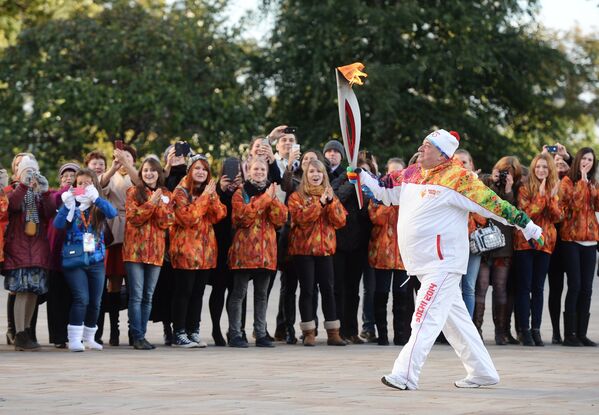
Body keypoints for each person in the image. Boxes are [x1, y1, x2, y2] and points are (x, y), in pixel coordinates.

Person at [351, 129, 543, 390]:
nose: (421, 148)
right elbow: (384, 189)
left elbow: (493, 204)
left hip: (443, 264)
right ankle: (483, 372)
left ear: (442, 153)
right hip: (421, 264)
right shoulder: (411, 173)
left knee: (424, 316)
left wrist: (527, 225)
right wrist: (361, 176)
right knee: (457, 324)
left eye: (427, 145)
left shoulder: (458, 179)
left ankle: (405, 374)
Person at [54, 168, 117, 351]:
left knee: (96, 301)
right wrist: (66, 205)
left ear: (94, 185)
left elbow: (113, 213)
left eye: (87, 183)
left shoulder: (98, 205)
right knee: (81, 298)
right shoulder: (70, 203)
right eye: (79, 183)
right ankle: (74, 339)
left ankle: (90, 338)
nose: (83, 186)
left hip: (96, 259)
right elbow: (58, 225)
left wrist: (97, 198)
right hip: (74, 260)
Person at [227, 158, 288, 347]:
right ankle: (235, 333)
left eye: (263, 169)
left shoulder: (272, 192)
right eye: (256, 169)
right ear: (249, 171)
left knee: (262, 295)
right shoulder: (241, 192)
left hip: (266, 252)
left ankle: (261, 333)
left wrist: (272, 199)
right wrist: (266, 199)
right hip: (244, 251)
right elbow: (242, 218)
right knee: (239, 293)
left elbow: (280, 219)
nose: (259, 172)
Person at [288, 159, 347, 346]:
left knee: (328, 290)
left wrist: (329, 203)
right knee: (307, 291)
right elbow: (302, 218)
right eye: (312, 171)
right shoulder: (296, 196)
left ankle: (333, 332)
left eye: (319, 172)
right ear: (306, 174)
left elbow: (340, 221)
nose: (315, 175)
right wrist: (320, 204)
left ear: (324, 175)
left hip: (325, 250)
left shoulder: (330, 195)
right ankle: (309, 332)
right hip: (303, 251)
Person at [170, 154, 226, 347]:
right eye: (197, 168)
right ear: (190, 171)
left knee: (198, 293)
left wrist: (211, 196)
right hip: (185, 250)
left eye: (204, 169)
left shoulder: (207, 191)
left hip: (205, 251)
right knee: (183, 292)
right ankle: (179, 332)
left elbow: (219, 214)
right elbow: (188, 218)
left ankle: (193, 330)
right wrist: (204, 198)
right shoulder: (180, 192)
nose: (201, 172)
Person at [4, 156, 56, 351]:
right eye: (26, 171)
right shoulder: (14, 190)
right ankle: (19, 334)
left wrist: (44, 191)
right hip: (19, 248)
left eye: (33, 171)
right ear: (18, 173)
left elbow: (49, 212)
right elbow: (12, 206)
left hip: (38, 248)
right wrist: (23, 185)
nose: (30, 175)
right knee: (22, 291)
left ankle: (26, 330)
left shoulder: (37, 193)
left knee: (33, 292)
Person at [123, 157, 175, 350]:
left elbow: (166, 221)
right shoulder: (133, 192)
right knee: (136, 295)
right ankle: (136, 336)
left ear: (159, 173)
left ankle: (142, 335)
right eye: (145, 170)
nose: (149, 174)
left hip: (155, 251)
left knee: (148, 296)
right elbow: (133, 218)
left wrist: (157, 204)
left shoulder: (167, 194)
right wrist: (151, 204)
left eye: (153, 170)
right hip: (134, 252)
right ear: (141, 173)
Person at [514, 153, 562, 346]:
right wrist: (542, 197)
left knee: (539, 288)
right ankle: (524, 330)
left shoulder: (554, 189)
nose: (541, 170)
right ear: (533, 168)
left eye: (545, 167)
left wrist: (550, 197)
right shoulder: (525, 188)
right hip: (524, 243)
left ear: (550, 170)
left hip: (546, 243)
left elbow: (557, 216)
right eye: (538, 167)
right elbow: (526, 214)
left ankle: (536, 329)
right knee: (524, 287)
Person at [474, 156, 522, 345]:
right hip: (485, 246)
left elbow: (511, 212)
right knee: (481, 287)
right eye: (501, 171)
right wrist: (493, 182)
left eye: (508, 172)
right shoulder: (485, 181)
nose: (504, 175)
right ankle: (476, 330)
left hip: (504, 245)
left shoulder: (517, 187)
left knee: (501, 289)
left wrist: (509, 189)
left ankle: (500, 332)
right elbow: (486, 204)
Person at [99, 144, 141, 346]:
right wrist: (114, 167)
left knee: (134, 283)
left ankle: (133, 330)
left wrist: (127, 164)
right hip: (115, 229)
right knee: (113, 282)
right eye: (121, 157)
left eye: (128, 158)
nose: (124, 161)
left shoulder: (139, 175)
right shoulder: (113, 174)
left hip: (135, 230)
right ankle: (113, 329)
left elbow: (141, 185)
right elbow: (100, 186)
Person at [558, 147, 598, 347]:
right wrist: (582, 183)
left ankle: (582, 333)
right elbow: (571, 204)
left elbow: (597, 206)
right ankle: (569, 334)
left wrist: (591, 186)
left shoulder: (593, 183)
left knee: (587, 289)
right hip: (571, 240)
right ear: (578, 161)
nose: (587, 162)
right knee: (575, 285)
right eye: (584, 159)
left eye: (590, 160)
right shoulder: (568, 181)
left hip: (590, 240)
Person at [47, 162, 81, 348]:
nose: (68, 178)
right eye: (65, 175)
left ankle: (72, 334)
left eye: (72, 175)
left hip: (75, 254)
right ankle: (57, 336)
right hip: (55, 252)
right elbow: (52, 203)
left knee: (72, 295)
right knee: (55, 297)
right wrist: (67, 191)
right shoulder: (55, 194)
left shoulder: (83, 196)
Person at [454, 149, 485, 318]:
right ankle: (449, 331)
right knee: (453, 287)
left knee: (469, 286)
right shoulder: (448, 184)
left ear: (471, 165)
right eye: (457, 162)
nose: (461, 165)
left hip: (472, 243)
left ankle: (468, 329)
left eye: (464, 162)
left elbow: (483, 218)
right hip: (452, 243)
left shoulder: (478, 186)